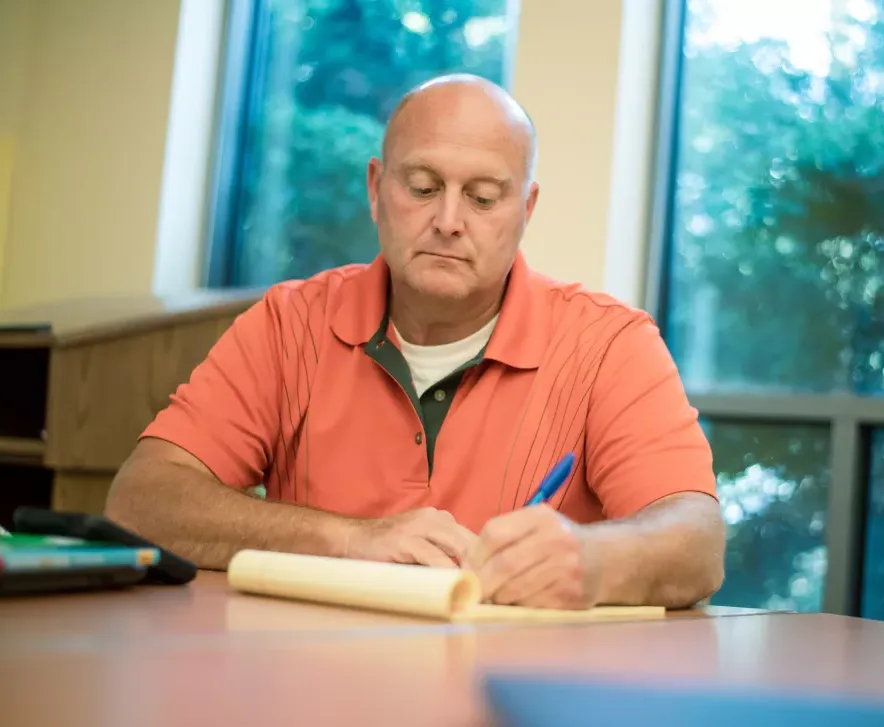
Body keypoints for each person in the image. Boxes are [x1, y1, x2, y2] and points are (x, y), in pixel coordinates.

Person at [104, 74, 725, 610]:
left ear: (526, 210)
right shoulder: (288, 323)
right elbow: (141, 500)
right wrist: (350, 540)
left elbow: (697, 541)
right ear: (376, 189)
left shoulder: (609, 344)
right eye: (423, 187)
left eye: (483, 198)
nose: (449, 221)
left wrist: (591, 560)